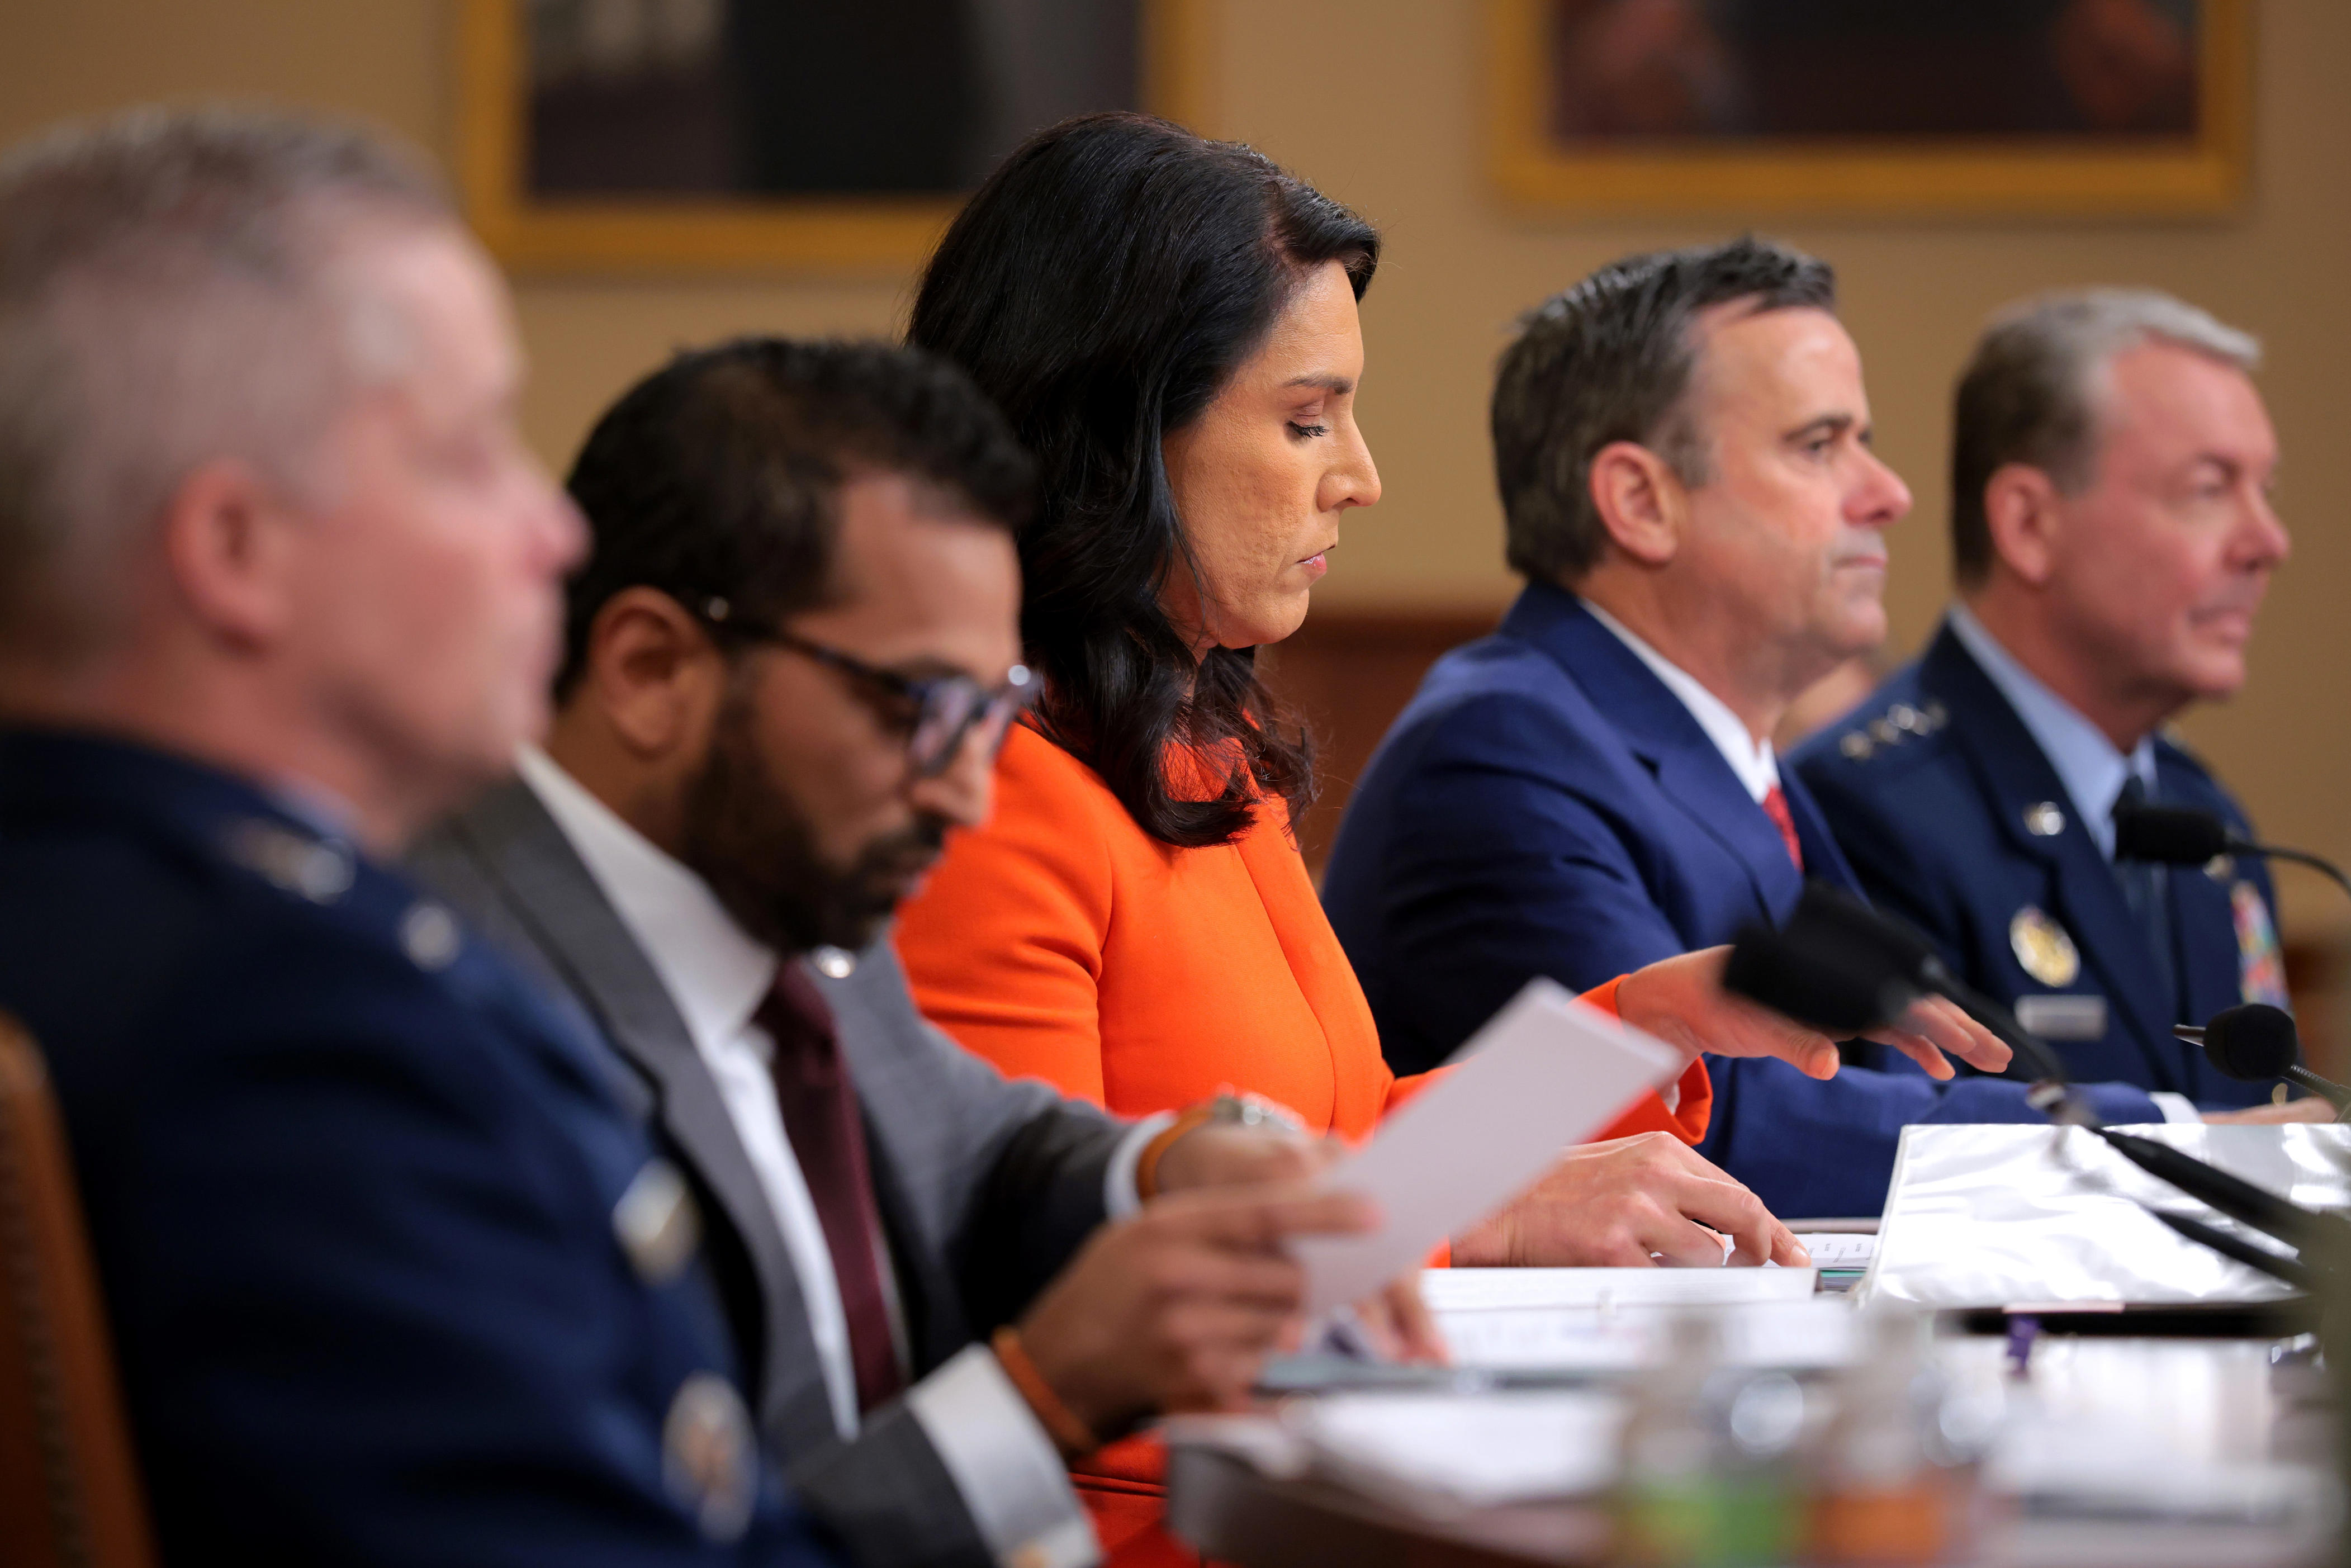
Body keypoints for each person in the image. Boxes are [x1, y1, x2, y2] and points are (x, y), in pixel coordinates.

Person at [892, 115, 2000, 1250]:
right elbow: (1044, 1263)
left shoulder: (1204, 745)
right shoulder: (986, 793)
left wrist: (1646, 1022)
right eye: (1306, 420)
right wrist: (1480, 1216)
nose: (1361, 478)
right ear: (1118, 430)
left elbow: (1357, 1132)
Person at [407, 336, 1409, 1568]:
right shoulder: (440, 1031)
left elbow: (978, 1146)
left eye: (992, 709)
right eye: (920, 708)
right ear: (651, 669)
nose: (967, 794)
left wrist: (1172, 1167)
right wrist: (1039, 1397)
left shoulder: (792, 892)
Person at [0, 106, 837, 1563]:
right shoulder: (295, 1033)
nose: (554, 532)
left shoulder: (101, 910)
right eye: (466, 454)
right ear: (236, 550)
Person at [1317, 239, 2214, 1222]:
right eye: (1818, 446)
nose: (1887, 493)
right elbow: (1717, 1128)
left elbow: (1860, 1075)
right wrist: (2164, 1140)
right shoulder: (1501, 755)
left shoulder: (1722, 755)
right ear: (1640, 502)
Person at [1793, 289, 2319, 1115]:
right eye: (2209, 489)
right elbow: (1907, 1170)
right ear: (2029, 524)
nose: (2266, 542)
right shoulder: (1861, 812)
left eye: (2265, 490)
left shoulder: (2198, 814)